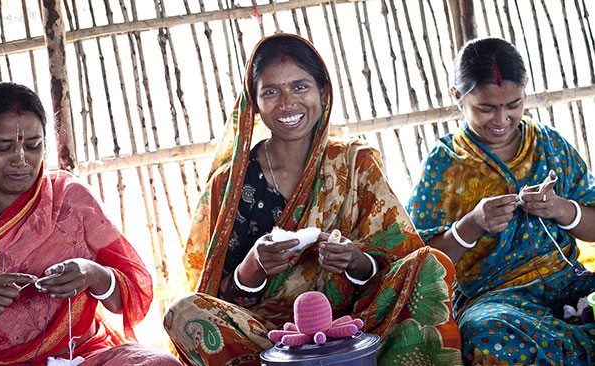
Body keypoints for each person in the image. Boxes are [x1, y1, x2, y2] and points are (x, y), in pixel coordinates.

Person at [163, 33, 463, 366]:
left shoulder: (355, 164)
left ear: (323, 92)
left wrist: (355, 261)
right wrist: (254, 266)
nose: (287, 103)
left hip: (356, 323)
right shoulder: (229, 186)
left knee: (428, 263)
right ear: (254, 102)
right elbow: (213, 294)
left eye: (300, 87)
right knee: (182, 311)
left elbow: (397, 258)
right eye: (271, 92)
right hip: (268, 336)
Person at [0, 83, 181, 365]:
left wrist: (93, 274)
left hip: (81, 354)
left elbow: (133, 292)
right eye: (3, 147)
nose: (21, 159)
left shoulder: (72, 199)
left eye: (33, 145)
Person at [406, 37, 595, 365]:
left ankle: (569, 335)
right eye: (486, 108)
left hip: (569, 284)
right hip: (496, 301)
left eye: (513, 105)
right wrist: (473, 224)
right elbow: (422, 263)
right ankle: (580, 337)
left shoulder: (550, 145)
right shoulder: (444, 163)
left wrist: (561, 209)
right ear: (457, 98)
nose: (501, 119)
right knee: (486, 336)